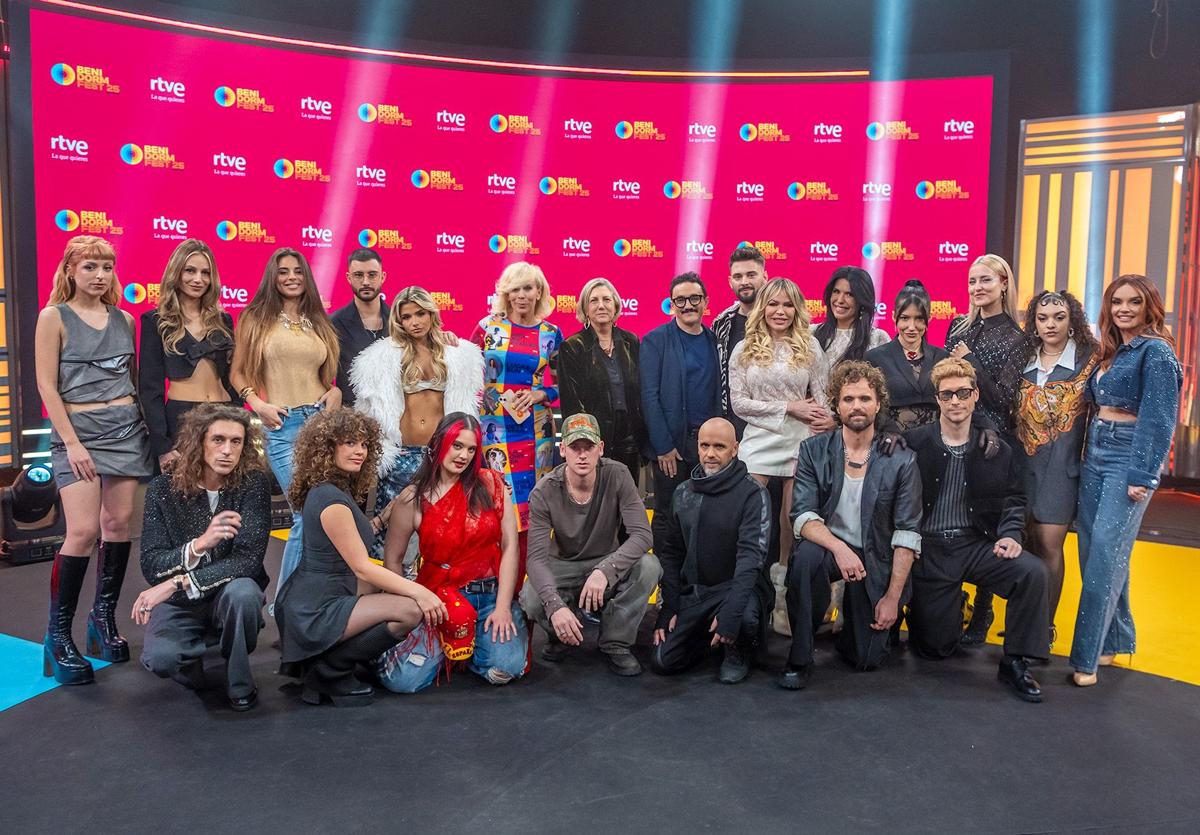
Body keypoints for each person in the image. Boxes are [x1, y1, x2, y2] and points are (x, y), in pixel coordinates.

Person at [36, 235, 153, 685]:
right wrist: (73, 443)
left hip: (126, 431)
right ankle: (57, 637)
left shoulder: (124, 318)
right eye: (89, 267)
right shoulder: (54, 317)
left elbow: (132, 381)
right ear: (70, 270)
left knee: (118, 525)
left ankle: (102, 622)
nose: (99, 275)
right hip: (77, 436)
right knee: (82, 530)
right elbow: (48, 386)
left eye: (106, 267)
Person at [904, 358, 1049, 702]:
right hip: (930, 550)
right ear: (937, 399)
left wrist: (1011, 534)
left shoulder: (997, 449)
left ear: (975, 396)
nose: (955, 401)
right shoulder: (915, 443)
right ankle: (948, 605)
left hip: (976, 544)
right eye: (947, 394)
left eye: (963, 393)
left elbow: (1015, 497)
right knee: (934, 649)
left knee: (1031, 572)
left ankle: (1015, 661)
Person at [275, 409, 437, 707]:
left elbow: (350, 536)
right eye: (349, 443)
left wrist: (383, 517)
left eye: (363, 444)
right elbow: (362, 566)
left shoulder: (333, 489)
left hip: (321, 593)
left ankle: (326, 665)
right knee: (410, 610)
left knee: (392, 593)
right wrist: (421, 592)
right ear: (327, 448)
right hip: (317, 607)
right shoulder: (331, 498)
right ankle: (328, 669)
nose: (359, 451)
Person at [1070, 275, 1182, 687]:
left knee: (1104, 555)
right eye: (1117, 301)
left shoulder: (1156, 353)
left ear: (1149, 306)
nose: (1124, 309)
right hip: (1095, 451)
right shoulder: (1111, 351)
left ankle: (1087, 659)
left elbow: (1159, 420)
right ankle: (1115, 638)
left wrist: (1143, 475)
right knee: (1093, 551)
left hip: (1127, 455)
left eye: (1134, 302)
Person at [782, 361, 922, 689]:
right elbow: (801, 516)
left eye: (864, 398)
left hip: (875, 557)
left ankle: (853, 624)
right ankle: (799, 657)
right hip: (830, 549)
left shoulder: (902, 459)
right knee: (805, 559)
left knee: (866, 659)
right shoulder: (814, 450)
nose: (856, 406)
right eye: (848, 399)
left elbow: (907, 534)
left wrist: (891, 596)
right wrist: (839, 548)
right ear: (837, 404)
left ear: (877, 403)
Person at [376, 413, 529, 692]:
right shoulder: (412, 497)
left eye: (471, 449)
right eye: (457, 445)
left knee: (506, 669)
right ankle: (452, 645)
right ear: (439, 443)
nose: (463, 456)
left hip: (490, 595)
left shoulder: (491, 484)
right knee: (401, 681)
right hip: (437, 599)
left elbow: (509, 548)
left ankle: (468, 648)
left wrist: (504, 607)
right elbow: (393, 561)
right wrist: (409, 606)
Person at [131, 405, 271, 710]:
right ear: (199, 442)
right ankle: (193, 657)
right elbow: (152, 564)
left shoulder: (253, 485)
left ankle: (239, 680)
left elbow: (247, 561)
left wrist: (177, 582)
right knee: (160, 659)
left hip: (226, 595)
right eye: (218, 440)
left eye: (236, 442)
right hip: (181, 605)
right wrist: (199, 545)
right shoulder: (161, 490)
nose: (227, 451)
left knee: (245, 593)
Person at [230, 247, 341, 593]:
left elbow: (326, 377)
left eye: (297, 270)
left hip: (322, 423)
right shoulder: (255, 318)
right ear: (272, 277)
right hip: (283, 424)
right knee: (304, 515)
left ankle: (315, 598)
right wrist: (256, 404)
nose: (291, 277)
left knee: (324, 515)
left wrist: (335, 394)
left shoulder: (318, 319)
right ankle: (284, 604)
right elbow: (236, 373)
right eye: (283, 271)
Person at [728, 278, 832, 635]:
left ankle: (785, 600)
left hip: (799, 441)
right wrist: (789, 407)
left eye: (787, 305)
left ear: (797, 309)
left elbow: (822, 401)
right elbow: (739, 404)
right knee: (750, 516)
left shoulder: (811, 348)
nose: (780, 312)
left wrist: (820, 421)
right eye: (773, 304)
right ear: (762, 307)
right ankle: (746, 589)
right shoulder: (743, 349)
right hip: (758, 439)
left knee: (792, 521)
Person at [521, 413, 660, 675]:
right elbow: (536, 560)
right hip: (563, 564)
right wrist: (554, 605)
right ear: (563, 450)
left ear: (601, 449)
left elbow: (643, 534)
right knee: (531, 597)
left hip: (605, 560)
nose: (582, 455)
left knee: (649, 566)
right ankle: (560, 633)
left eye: (589, 447)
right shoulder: (544, 491)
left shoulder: (618, 475)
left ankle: (615, 642)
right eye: (575, 447)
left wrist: (605, 570)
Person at [351, 286, 483, 560]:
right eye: (407, 316)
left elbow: (468, 404)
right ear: (398, 321)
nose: (415, 322)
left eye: (420, 314)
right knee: (392, 540)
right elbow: (369, 410)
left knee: (442, 532)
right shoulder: (383, 357)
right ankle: (387, 596)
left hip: (442, 454)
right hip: (402, 454)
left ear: (431, 313)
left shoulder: (455, 352)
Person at [945, 253, 1032, 645]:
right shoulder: (957, 326)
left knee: (986, 524)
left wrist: (971, 363)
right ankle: (951, 602)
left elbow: (1005, 399)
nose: (977, 288)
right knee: (949, 518)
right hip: (952, 436)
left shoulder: (1018, 336)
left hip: (992, 443)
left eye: (985, 280)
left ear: (1002, 284)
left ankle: (983, 611)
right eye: (971, 281)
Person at [651, 418, 772, 684]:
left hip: (739, 589)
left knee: (745, 615)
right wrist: (669, 606)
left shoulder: (753, 494)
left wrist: (732, 613)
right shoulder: (683, 493)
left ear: (735, 449)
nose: (710, 453)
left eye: (719, 446)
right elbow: (670, 553)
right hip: (697, 593)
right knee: (663, 661)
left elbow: (751, 559)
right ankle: (711, 640)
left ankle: (739, 648)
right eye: (705, 445)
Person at [1015, 290, 1098, 651]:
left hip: (1062, 469)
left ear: (1072, 321)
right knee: (1029, 545)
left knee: (1050, 546)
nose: (1050, 324)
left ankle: (1043, 628)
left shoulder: (1090, 361)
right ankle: (1027, 623)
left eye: (1059, 317)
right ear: (1033, 321)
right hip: (1021, 466)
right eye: (1043, 317)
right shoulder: (1021, 360)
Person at [471, 262, 563, 582]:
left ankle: (527, 596)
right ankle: (495, 590)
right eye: (515, 289)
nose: (522, 296)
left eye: (528, 288)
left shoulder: (551, 334)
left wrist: (541, 394)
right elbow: (467, 371)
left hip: (536, 432)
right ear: (505, 293)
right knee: (498, 506)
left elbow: (566, 383)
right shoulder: (487, 327)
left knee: (533, 511)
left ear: (539, 292)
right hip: (494, 430)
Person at [640, 272, 723, 558]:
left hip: (707, 448)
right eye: (680, 300)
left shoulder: (714, 341)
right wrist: (663, 447)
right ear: (671, 304)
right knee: (667, 515)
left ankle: (695, 585)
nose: (688, 305)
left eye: (694, 298)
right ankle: (666, 585)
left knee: (704, 514)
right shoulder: (655, 341)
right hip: (671, 448)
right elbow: (649, 397)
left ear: (706, 302)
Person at [138, 239, 238, 470]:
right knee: (183, 498)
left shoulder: (223, 321)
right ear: (176, 272)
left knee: (225, 497)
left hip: (224, 414)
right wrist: (162, 446)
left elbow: (233, 375)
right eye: (190, 271)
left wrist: (238, 413)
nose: (198, 279)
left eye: (205, 273)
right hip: (181, 419)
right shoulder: (156, 321)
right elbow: (150, 388)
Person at [556, 277, 649, 480]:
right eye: (594, 300)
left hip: (630, 441)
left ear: (615, 305)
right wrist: (585, 444)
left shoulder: (631, 341)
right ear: (585, 309)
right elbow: (571, 403)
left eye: (606, 300)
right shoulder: (573, 346)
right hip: (592, 441)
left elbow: (642, 392)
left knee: (626, 502)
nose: (601, 306)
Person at [865, 280, 950, 431]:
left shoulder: (942, 358)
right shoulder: (874, 358)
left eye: (919, 319)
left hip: (934, 444)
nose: (911, 327)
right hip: (891, 445)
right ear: (893, 317)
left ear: (928, 319)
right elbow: (868, 405)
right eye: (905, 318)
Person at [713, 245, 769, 438]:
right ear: (730, 281)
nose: (744, 282)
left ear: (765, 277)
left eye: (751, 275)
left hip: (774, 425)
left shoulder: (783, 319)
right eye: (738, 277)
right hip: (733, 425)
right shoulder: (721, 323)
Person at [330, 247, 388, 409]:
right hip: (351, 419)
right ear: (348, 278)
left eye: (372, 274)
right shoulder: (333, 324)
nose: (366, 282)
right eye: (358, 275)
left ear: (382, 277)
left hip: (395, 418)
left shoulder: (399, 321)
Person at [812, 266, 889, 367]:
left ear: (862, 300)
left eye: (849, 294)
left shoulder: (878, 338)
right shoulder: (811, 333)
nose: (840, 300)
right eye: (836, 291)